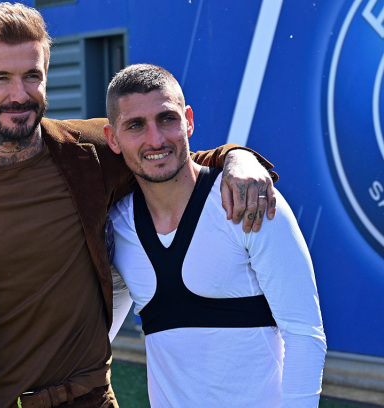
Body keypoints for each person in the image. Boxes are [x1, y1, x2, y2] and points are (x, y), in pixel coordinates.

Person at [0, 3, 277, 407]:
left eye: (32, 76)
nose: (19, 94)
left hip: (85, 399)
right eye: (0, 78)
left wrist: (237, 157)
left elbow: (169, 158)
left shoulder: (91, 153)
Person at [104, 64, 326, 407]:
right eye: (136, 125)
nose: (156, 139)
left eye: (167, 119)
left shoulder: (249, 200)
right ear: (112, 139)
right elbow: (100, 331)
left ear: (188, 120)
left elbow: (304, 334)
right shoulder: (119, 227)